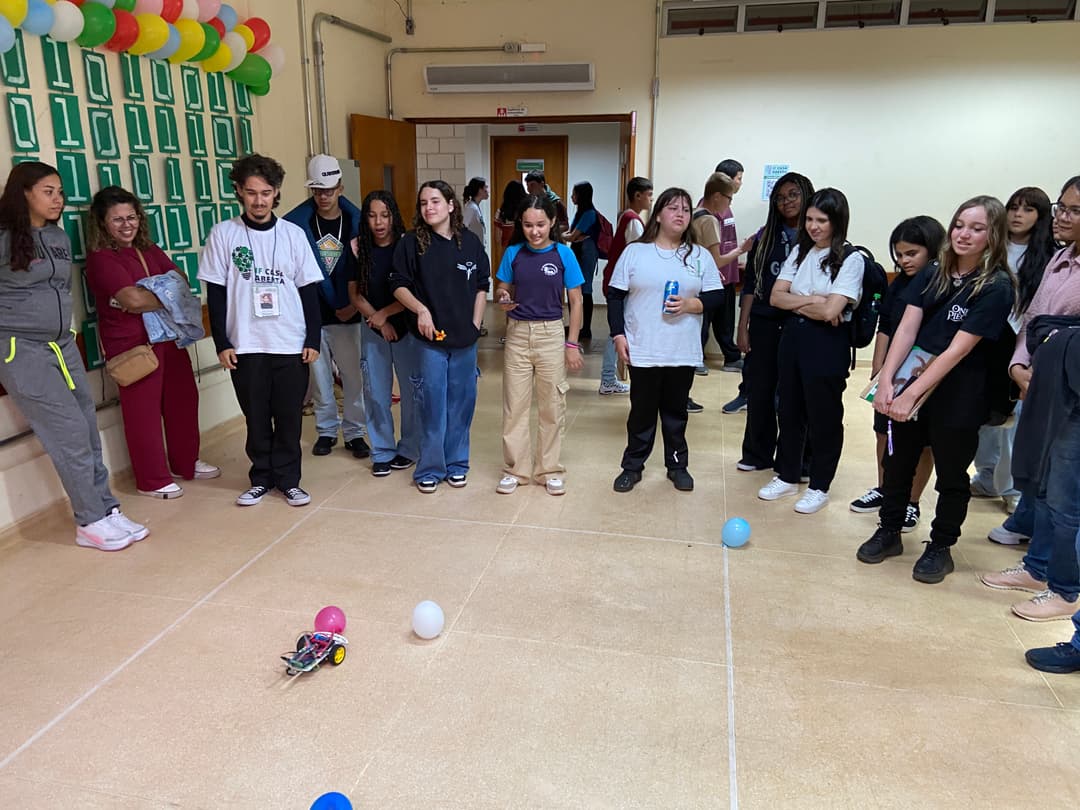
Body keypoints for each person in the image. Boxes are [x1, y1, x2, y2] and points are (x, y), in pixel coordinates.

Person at [856, 195, 1013, 584]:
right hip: (913, 374)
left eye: (977, 228)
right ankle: (890, 530)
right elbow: (907, 327)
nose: (964, 234)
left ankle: (941, 545)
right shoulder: (934, 271)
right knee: (897, 462)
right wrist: (889, 379)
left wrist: (913, 393)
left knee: (952, 472)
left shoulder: (996, 285)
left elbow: (958, 349)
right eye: (960, 224)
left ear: (993, 235)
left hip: (960, 390)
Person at [0, 162, 147, 550]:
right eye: (48, 191)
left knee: (86, 428)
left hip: (63, 346)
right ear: (24, 193)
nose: (58, 199)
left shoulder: (58, 236)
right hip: (22, 350)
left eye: (60, 192)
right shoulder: (3, 238)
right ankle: (89, 521)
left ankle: (107, 509)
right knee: (68, 435)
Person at [197, 153, 323, 507]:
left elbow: (309, 290)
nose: (258, 200)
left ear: (277, 193)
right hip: (246, 343)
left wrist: (312, 338)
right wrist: (222, 343)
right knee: (255, 417)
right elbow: (217, 293)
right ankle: (261, 478)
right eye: (251, 193)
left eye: (266, 193)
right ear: (239, 191)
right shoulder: (224, 235)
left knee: (287, 417)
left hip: (289, 342)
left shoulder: (293, 235)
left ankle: (288, 479)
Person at [980, 177, 1080, 619]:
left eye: (1075, 210)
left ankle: (1065, 589)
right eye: (1063, 206)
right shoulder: (1061, 259)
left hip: (1071, 393)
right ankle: (1038, 567)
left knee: (1066, 493)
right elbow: (1034, 319)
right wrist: (1019, 366)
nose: (1063, 215)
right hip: (1040, 386)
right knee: (1041, 483)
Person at [85, 186, 219, 500]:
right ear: (102, 223)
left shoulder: (148, 248)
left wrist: (149, 293)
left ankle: (185, 463)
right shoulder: (102, 259)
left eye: (131, 217)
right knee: (142, 412)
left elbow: (182, 281)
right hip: (132, 345)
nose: (126, 225)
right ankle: (152, 479)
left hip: (168, 337)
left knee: (183, 399)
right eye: (116, 220)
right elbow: (131, 299)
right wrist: (161, 291)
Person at [607, 187, 722, 493]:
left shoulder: (699, 256)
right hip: (642, 347)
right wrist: (618, 335)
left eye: (685, 209)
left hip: (681, 350)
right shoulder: (636, 252)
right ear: (658, 214)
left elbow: (716, 296)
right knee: (641, 414)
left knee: (675, 414)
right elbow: (615, 295)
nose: (680, 214)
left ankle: (677, 465)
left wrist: (690, 305)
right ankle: (632, 467)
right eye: (673, 208)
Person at [756, 188, 862, 515]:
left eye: (822, 221)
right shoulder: (801, 251)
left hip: (827, 343)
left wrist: (807, 303)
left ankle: (819, 485)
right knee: (788, 409)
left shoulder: (850, 258)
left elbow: (832, 313)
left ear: (837, 222)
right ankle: (787, 474)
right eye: (810, 220)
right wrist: (814, 300)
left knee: (824, 416)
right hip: (792, 338)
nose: (814, 227)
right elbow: (775, 297)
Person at [391, 180, 490, 493]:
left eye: (435, 201)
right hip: (429, 340)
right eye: (423, 203)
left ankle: (457, 463)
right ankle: (430, 468)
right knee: (433, 404)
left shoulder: (470, 242)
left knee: (462, 403)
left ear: (451, 205)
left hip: (465, 340)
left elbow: (481, 285)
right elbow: (398, 285)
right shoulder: (411, 243)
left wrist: (475, 324)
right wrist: (420, 310)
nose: (428, 208)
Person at [848, 216, 945, 531]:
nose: (904, 260)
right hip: (894, 373)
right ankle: (886, 488)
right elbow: (886, 326)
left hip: (926, 374)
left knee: (922, 443)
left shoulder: (942, 283)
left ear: (931, 250)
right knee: (883, 432)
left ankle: (912, 502)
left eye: (911, 253)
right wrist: (879, 370)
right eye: (899, 254)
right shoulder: (899, 284)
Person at [970, 187, 1054, 513]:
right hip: (988, 340)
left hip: (1026, 344)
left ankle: (1012, 487)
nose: (1018, 215)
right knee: (983, 415)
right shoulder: (990, 247)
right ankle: (986, 475)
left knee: (1015, 419)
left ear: (1041, 216)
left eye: (1028, 209)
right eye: (1014, 207)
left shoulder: (1049, 255)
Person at [494, 194, 584, 496]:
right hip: (518, 335)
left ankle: (549, 470)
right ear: (521, 224)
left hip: (551, 334)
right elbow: (502, 288)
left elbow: (576, 300)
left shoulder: (563, 254)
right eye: (529, 225)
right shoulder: (514, 252)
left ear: (553, 222)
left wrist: (572, 344)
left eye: (541, 225)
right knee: (515, 406)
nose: (535, 231)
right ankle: (515, 470)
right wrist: (503, 298)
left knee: (551, 406)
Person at [283, 154, 369, 461]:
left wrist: (353, 307)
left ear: (340, 188)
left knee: (353, 378)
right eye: (317, 190)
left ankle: (355, 432)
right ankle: (327, 430)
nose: (323, 196)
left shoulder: (358, 223)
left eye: (329, 190)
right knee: (319, 378)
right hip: (313, 317)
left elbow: (368, 271)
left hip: (349, 314)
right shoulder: (296, 225)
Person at [731, 173, 813, 455]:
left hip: (802, 322)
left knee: (795, 394)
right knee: (760, 388)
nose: (786, 202)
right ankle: (757, 452)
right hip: (765, 320)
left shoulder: (817, 235)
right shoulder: (765, 236)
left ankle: (796, 459)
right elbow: (752, 283)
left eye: (793, 195)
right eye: (779, 197)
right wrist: (743, 327)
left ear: (806, 196)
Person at [348, 190, 418, 476]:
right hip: (374, 329)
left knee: (413, 393)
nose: (379, 222)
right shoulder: (357, 247)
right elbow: (354, 294)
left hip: (406, 328)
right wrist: (378, 321)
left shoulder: (407, 245)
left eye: (385, 215)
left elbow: (413, 291)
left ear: (393, 217)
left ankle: (410, 449)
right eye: (372, 215)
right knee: (376, 393)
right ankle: (382, 450)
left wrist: (386, 314)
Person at [689, 171, 753, 411]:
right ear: (717, 196)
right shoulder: (709, 221)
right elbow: (715, 261)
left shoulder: (693, 214)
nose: (730, 204)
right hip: (702, 287)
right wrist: (741, 250)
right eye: (729, 198)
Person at [598, 176, 653, 395]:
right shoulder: (633, 221)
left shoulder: (627, 217)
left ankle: (609, 377)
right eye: (649, 194)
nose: (651, 199)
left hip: (614, 280)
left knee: (616, 330)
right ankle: (608, 378)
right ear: (637, 195)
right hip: (622, 285)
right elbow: (639, 255)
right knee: (617, 332)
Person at [698, 159, 747, 376]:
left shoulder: (724, 209)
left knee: (724, 321)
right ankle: (695, 359)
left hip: (726, 274)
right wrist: (742, 250)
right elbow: (713, 257)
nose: (741, 183)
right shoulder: (707, 215)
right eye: (739, 178)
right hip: (710, 277)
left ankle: (732, 358)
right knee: (702, 321)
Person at [563, 181, 601, 340]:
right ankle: (575, 325)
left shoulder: (589, 214)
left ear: (582, 195)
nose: (572, 196)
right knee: (573, 287)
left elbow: (571, 236)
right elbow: (572, 234)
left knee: (585, 289)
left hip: (586, 253)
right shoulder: (582, 212)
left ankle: (585, 329)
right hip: (579, 252)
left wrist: (557, 236)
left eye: (575, 193)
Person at [493, 180, 527, 251]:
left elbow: (497, 238)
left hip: (507, 248)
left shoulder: (501, 212)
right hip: (524, 247)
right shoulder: (526, 210)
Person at [462, 177, 489, 245]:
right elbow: (463, 228)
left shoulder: (475, 207)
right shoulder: (471, 208)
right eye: (486, 187)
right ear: (480, 190)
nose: (488, 191)